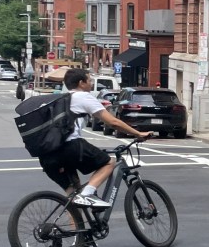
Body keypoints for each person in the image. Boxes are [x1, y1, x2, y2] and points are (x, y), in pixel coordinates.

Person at [38, 68, 153, 208]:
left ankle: (74, 228)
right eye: (89, 80)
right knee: (109, 162)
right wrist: (138, 133)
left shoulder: (61, 99)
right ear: (81, 83)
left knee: (73, 197)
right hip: (70, 146)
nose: (91, 83)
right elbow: (112, 122)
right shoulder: (83, 97)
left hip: (48, 155)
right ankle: (87, 194)